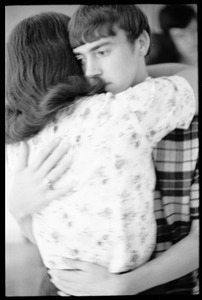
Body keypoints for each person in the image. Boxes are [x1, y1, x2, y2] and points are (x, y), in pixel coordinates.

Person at [6, 6, 198, 296]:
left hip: (131, 283)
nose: (92, 70)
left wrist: (124, 284)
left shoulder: (21, 136)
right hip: (69, 282)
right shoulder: (119, 112)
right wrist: (19, 208)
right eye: (80, 57)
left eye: (102, 52)